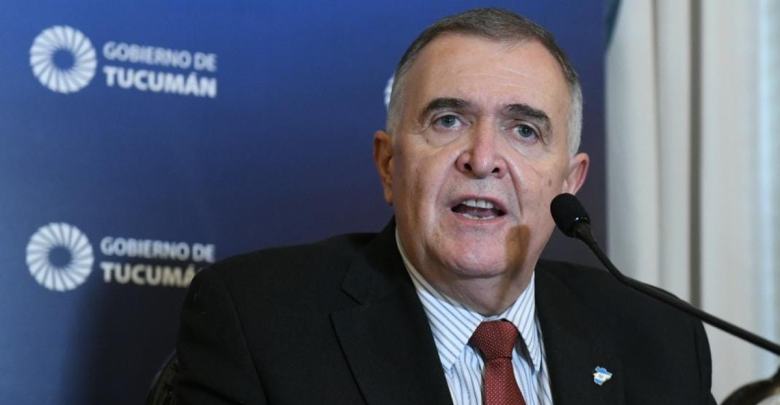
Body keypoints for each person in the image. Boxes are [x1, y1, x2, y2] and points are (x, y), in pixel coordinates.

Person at [175, 8, 716, 405]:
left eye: (524, 130)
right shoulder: (257, 322)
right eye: (448, 121)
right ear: (389, 164)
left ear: (568, 184)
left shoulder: (660, 337)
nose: (483, 159)